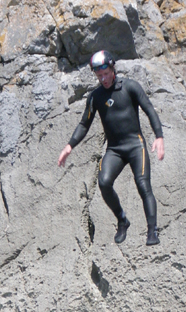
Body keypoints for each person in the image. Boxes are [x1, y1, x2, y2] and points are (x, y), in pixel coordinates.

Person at [58, 50, 165, 246]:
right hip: (114, 149)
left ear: (112, 68)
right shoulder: (95, 96)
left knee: (143, 185)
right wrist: (69, 146)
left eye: (106, 73)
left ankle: (152, 231)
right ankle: (122, 220)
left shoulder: (130, 87)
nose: (103, 79)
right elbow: (84, 124)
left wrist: (159, 136)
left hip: (135, 145)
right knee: (104, 182)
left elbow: (149, 109)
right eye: (99, 76)